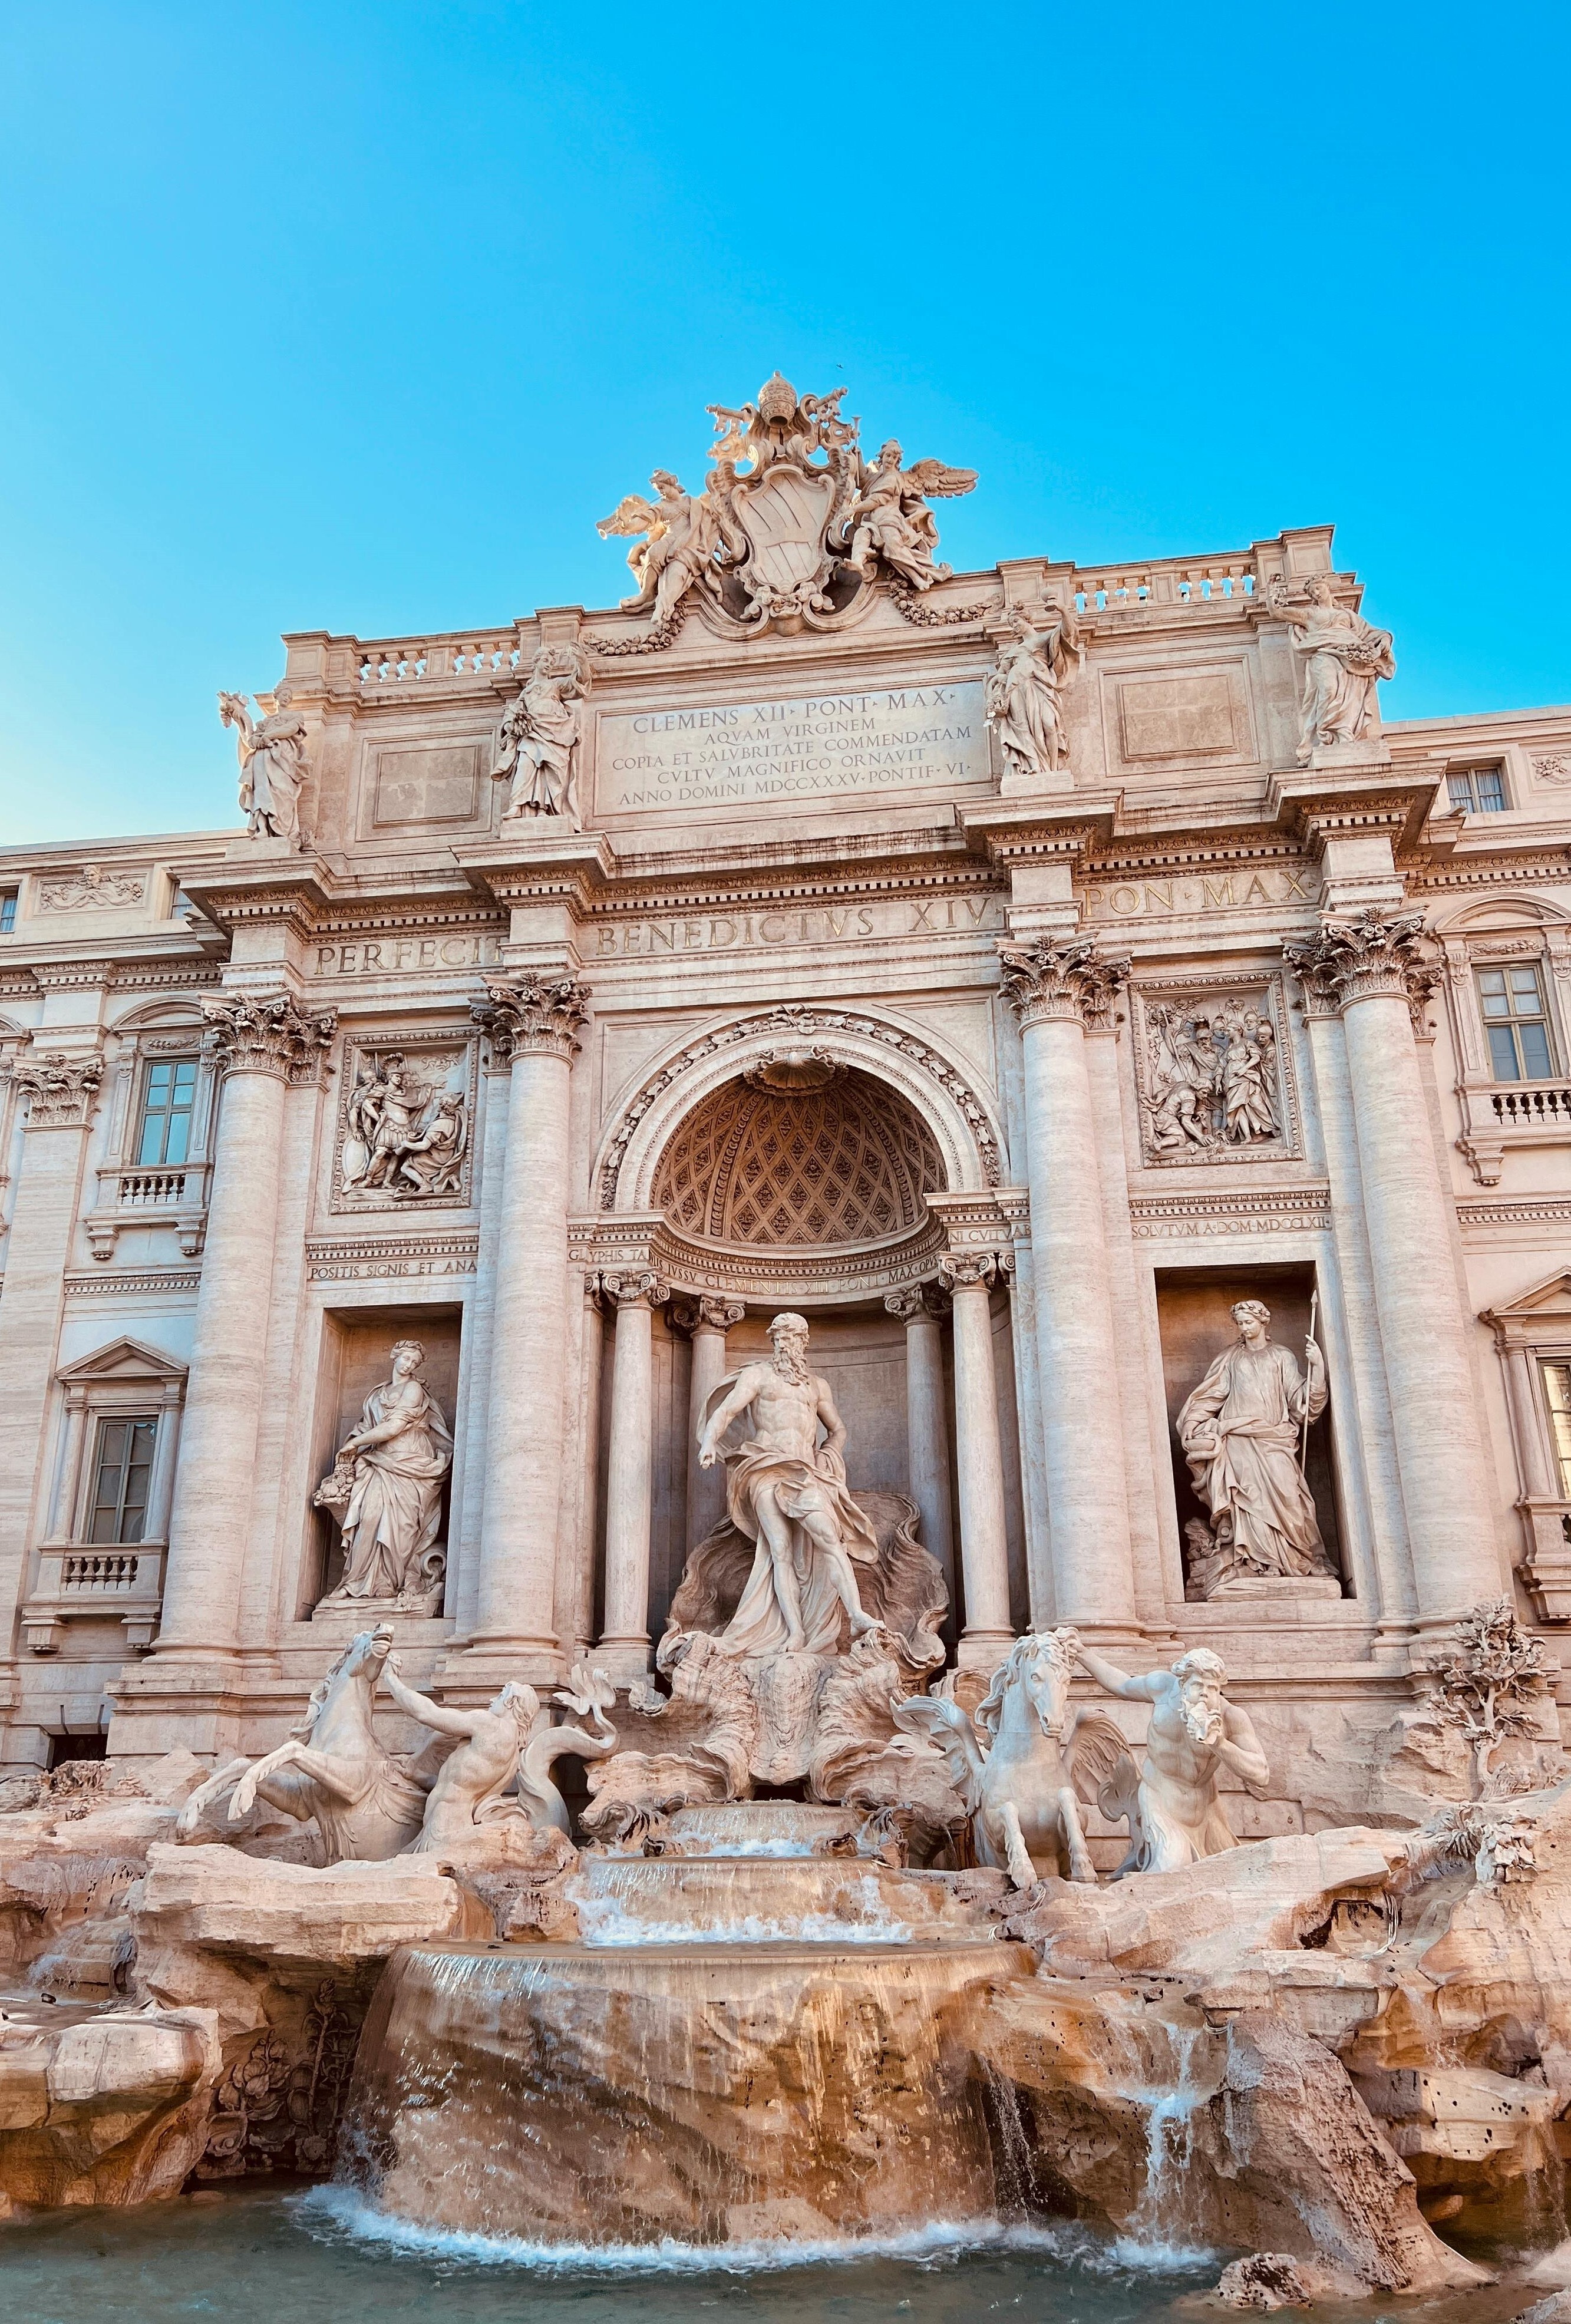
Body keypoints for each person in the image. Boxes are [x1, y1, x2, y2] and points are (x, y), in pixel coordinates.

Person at [697, 1312, 880, 1655]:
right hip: (765, 1467)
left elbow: (838, 1429)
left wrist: (829, 1453)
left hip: (805, 1471)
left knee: (830, 1539)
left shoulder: (816, 1386)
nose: (783, 1343)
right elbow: (725, 1412)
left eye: (791, 1337)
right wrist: (709, 1442)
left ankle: (856, 1615)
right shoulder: (758, 1376)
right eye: (778, 1337)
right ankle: (794, 1633)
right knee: (778, 1551)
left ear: (803, 1342)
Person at [1075, 1643, 1269, 1871]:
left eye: (1213, 1688)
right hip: (1160, 1798)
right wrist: (1081, 1653)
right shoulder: (1162, 1688)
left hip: (1206, 1809)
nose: (1205, 1694)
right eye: (1198, 1685)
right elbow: (1122, 1684)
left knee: (1225, 1874)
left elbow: (1261, 1774)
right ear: (1182, 1683)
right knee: (1172, 1868)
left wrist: (1219, 1744)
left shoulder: (1231, 1717)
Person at [1177, 1299, 1329, 1579]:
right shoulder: (1230, 1358)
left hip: (1274, 1438)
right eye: (1240, 1324)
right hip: (1237, 1438)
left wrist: (1317, 1367)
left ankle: (1293, 1557)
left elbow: (1302, 1403)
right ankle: (1256, 1562)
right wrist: (1192, 1421)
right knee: (1247, 1499)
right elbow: (1212, 1395)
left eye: (1249, 1322)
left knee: (1290, 1498)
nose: (1245, 1328)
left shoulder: (1282, 1357)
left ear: (1263, 1322)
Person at [320, 1341, 452, 1602]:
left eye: (415, 1363)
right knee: (369, 1517)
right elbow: (367, 1427)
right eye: (406, 1359)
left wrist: (355, 1444)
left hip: (411, 1463)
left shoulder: (414, 1389)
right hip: (380, 1461)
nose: (409, 1365)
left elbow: (392, 1428)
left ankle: (389, 1584)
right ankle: (357, 1580)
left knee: (402, 1526)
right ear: (395, 1357)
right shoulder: (377, 1393)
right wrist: (357, 1446)